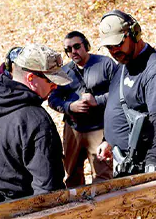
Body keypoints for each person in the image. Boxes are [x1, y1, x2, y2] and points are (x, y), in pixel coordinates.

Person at [0, 43, 72, 208]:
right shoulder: (36, 121)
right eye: (51, 80)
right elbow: (48, 190)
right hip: (13, 214)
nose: (55, 86)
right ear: (30, 78)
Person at [97, 10, 156, 175]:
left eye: (118, 44)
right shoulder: (123, 64)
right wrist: (108, 141)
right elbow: (117, 104)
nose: (113, 51)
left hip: (143, 162)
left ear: (134, 33)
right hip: (123, 161)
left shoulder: (155, 67)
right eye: (109, 47)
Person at [48, 31, 117, 188]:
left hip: (99, 129)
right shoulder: (64, 72)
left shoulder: (105, 64)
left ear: (86, 45)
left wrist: (97, 101)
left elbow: (120, 94)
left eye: (77, 46)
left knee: (103, 176)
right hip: (73, 129)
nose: (73, 52)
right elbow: (52, 98)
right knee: (72, 175)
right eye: (68, 49)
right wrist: (69, 106)